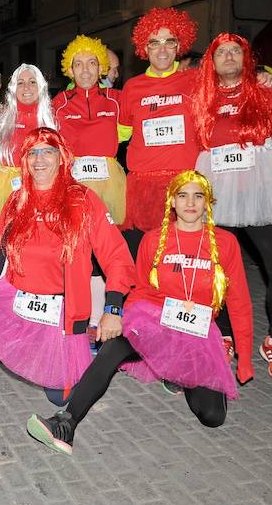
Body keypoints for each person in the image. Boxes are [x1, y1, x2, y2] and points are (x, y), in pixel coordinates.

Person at [27, 171, 254, 454]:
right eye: (183, 196)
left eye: (198, 196)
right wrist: (124, 316)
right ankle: (66, 423)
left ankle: (177, 373)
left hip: (197, 336)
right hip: (155, 325)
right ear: (172, 202)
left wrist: (245, 357)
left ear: (208, 201)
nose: (190, 203)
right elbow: (142, 290)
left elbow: (240, 302)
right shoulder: (153, 239)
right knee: (113, 347)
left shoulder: (226, 242)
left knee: (211, 417)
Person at [0, 128, 135, 444]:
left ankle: (95, 359)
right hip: (17, 298)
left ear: (62, 157)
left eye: (47, 151)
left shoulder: (84, 199)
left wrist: (113, 307)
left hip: (61, 311)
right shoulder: (16, 200)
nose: (39, 160)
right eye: (32, 153)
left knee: (59, 398)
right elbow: (1, 252)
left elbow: (117, 256)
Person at [192, 33, 272, 380]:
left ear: (246, 58)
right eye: (221, 52)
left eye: (234, 51)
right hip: (218, 191)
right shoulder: (202, 97)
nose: (228, 57)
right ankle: (224, 335)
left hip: (259, 190)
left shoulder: (266, 92)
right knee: (218, 270)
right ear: (212, 60)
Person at [118, 8, 201, 252]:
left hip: (184, 183)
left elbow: (230, 80)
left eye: (169, 41)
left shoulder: (195, 80)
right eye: (154, 43)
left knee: (182, 254)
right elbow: (118, 134)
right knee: (145, 255)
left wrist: (260, 76)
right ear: (145, 49)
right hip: (143, 185)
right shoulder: (132, 87)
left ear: (179, 46)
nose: (162, 49)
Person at [53, 35, 127, 225]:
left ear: (101, 67)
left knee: (109, 241)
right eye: (78, 64)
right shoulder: (59, 102)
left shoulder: (117, 99)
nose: (85, 70)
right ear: (70, 70)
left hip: (109, 183)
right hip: (73, 184)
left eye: (92, 63)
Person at [0, 63, 57, 216]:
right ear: (13, 88)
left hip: (43, 188)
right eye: (20, 83)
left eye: (32, 82)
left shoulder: (53, 119)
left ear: (41, 86)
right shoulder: (0, 118)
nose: (26, 87)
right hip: (5, 191)